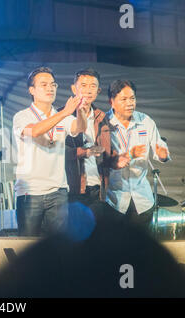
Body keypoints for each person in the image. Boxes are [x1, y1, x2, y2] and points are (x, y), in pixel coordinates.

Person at [12, 66, 87, 237]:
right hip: (29, 192)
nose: (50, 88)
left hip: (58, 190)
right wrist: (64, 113)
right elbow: (35, 131)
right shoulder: (22, 116)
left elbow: (79, 127)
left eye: (53, 85)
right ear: (32, 90)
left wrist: (80, 111)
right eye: (44, 85)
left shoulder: (63, 116)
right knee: (28, 246)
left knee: (59, 247)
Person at [105, 79, 170, 232]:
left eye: (132, 98)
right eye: (124, 99)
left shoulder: (145, 121)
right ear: (112, 102)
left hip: (142, 201)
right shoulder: (104, 123)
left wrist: (163, 154)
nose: (130, 103)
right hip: (114, 200)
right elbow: (100, 159)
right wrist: (127, 155)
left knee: (140, 253)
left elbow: (160, 148)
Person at [63, 68, 111, 222]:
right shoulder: (61, 116)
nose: (88, 90)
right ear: (73, 88)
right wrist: (83, 152)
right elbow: (54, 153)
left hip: (97, 189)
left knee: (97, 241)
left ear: (98, 90)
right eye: (83, 85)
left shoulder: (103, 118)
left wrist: (123, 157)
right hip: (72, 189)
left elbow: (109, 152)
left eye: (93, 86)